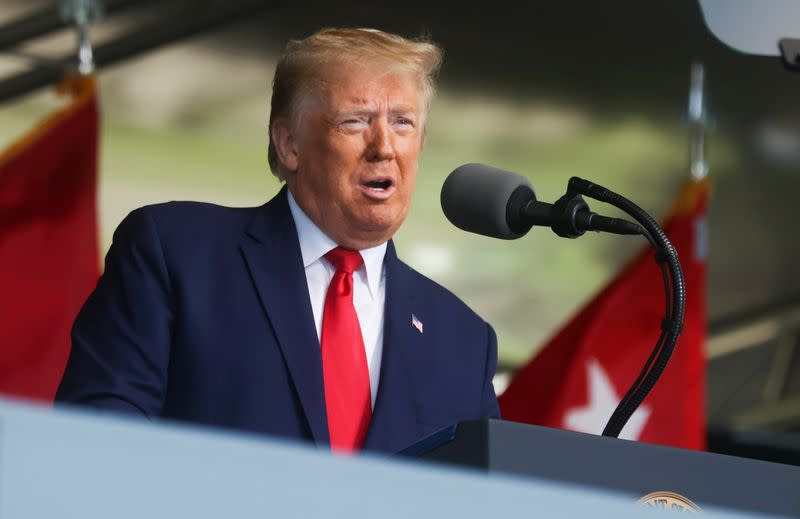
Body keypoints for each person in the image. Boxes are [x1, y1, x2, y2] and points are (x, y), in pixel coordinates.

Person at [56, 28, 500, 454]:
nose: (384, 146)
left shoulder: (464, 340)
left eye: (403, 122)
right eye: (356, 121)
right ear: (289, 145)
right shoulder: (175, 254)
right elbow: (101, 436)